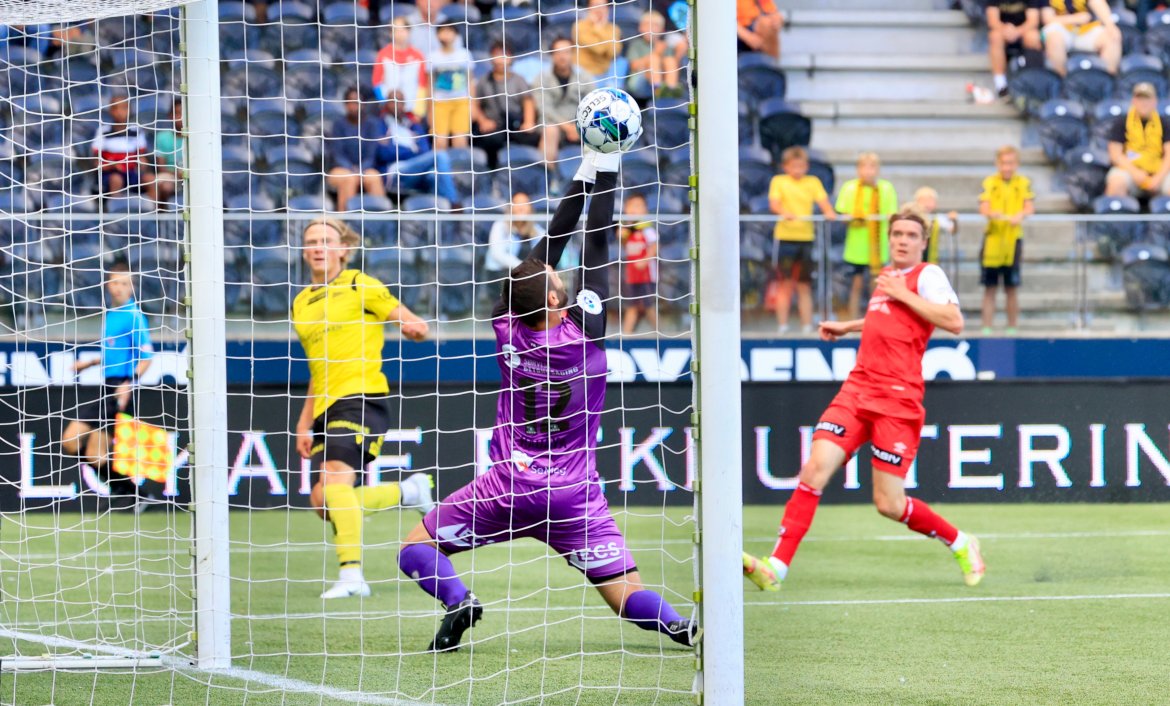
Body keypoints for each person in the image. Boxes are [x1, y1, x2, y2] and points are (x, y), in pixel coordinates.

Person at [396, 150, 700, 653]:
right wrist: (605, 170)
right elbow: (597, 245)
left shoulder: (506, 327)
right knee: (627, 597)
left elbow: (545, 253)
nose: (559, 274)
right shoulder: (587, 331)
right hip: (573, 495)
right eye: (558, 280)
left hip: (507, 486)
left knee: (414, 548)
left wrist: (581, 177)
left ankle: (459, 601)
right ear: (557, 300)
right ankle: (686, 630)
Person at [741, 210, 985, 593]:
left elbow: (954, 321)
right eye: (897, 234)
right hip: (857, 390)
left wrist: (901, 292)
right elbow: (889, 317)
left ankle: (960, 541)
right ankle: (777, 567)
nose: (903, 240)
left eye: (911, 235)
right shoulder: (889, 278)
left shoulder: (927, 275)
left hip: (898, 399)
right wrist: (850, 325)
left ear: (923, 242)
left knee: (889, 504)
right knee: (814, 471)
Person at [291, 217, 435, 599]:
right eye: (311, 241)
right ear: (305, 252)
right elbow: (316, 368)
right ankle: (408, 493)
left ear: (343, 249)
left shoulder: (359, 284)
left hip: (361, 398)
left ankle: (352, 575)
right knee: (324, 502)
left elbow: (413, 322)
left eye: (325, 240)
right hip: (325, 405)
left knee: (337, 480)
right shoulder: (301, 302)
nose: (318, 247)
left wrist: (414, 328)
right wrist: (304, 422)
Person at [63, 262, 154, 507]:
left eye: (125, 283)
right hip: (107, 386)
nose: (119, 288)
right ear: (107, 285)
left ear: (131, 287)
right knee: (88, 451)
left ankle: (131, 493)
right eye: (115, 282)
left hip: (119, 390)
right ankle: (133, 494)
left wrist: (129, 383)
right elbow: (116, 353)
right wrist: (91, 362)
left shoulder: (134, 316)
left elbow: (146, 357)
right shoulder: (112, 315)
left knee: (73, 441)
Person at [768, 146, 837, 334]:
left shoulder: (812, 182)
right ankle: (782, 325)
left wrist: (829, 212)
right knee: (785, 283)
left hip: (806, 238)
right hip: (785, 238)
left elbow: (823, 202)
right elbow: (774, 204)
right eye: (793, 166)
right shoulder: (779, 181)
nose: (797, 170)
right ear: (786, 167)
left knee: (804, 284)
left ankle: (806, 326)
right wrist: (784, 212)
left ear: (806, 166)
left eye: (801, 166)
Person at [835, 152, 898, 319]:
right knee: (855, 284)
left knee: (877, 285)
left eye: (872, 167)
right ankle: (853, 318)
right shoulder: (850, 188)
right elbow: (842, 214)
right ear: (858, 169)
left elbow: (892, 214)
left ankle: (876, 318)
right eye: (864, 167)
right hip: (856, 247)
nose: (868, 171)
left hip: (878, 247)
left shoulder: (886, 188)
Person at [979, 145, 1034, 334]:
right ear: (997, 163)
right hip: (993, 240)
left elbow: (1029, 207)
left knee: (1011, 287)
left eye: (1010, 163)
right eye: (1003, 163)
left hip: (1013, 240)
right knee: (990, 287)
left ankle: (1012, 328)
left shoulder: (1023, 182)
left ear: (1016, 164)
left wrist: (1020, 215)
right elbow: (983, 207)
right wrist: (992, 213)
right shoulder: (990, 182)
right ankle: (986, 327)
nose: (1007, 167)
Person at [378, 92, 462, 208]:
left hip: (417, 170)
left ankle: (443, 217)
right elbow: (384, 153)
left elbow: (425, 150)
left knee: (435, 176)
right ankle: (455, 204)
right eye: (393, 101)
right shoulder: (380, 125)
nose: (396, 104)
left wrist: (402, 150)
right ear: (386, 104)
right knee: (440, 156)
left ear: (405, 104)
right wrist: (412, 150)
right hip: (396, 171)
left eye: (400, 101)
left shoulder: (414, 126)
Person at [472, 41, 540, 171]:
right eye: (496, 55)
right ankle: (492, 171)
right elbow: (475, 104)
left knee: (532, 138)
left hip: (515, 123)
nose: (500, 60)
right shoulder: (483, 80)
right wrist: (483, 121)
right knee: (491, 140)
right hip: (493, 124)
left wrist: (529, 121)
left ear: (511, 58)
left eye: (504, 55)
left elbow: (528, 101)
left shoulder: (519, 79)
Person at [325, 87, 389, 212]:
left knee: (374, 177)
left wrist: (360, 169)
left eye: (357, 101)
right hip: (341, 169)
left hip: (365, 168)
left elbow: (371, 154)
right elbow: (338, 154)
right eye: (351, 102)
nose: (354, 105)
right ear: (345, 105)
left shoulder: (371, 125)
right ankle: (344, 224)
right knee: (349, 179)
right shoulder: (338, 125)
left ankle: (381, 224)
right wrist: (352, 169)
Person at [1105, 82, 1170, 199]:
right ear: (1133, 101)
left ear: (1155, 101)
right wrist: (1136, 173)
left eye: (1147, 98)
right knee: (1117, 181)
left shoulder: (1164, 123)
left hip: (1158, 172)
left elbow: (1169, 155)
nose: (1143, 103)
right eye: (1140, 98)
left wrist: (1157, 178)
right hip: (1131, 170)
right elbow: (1115, 155)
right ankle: (1116, 215)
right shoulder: (1122, 122)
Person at [536, 36, 588, 163]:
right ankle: (548, 175)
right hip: (551, 123)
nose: (562, 56)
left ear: (572, 54)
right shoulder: (541, 79)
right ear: (552, 55)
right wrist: (567, 127)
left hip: (579, 123)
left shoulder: (584, 77)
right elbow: (545, 108)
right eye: (558, 52)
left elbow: (592, 104)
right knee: (551, 130)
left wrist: (578, 127)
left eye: (566, 52)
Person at [426, 22, 474, 151]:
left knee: (460, 141)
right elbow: (429, 84)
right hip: (440, 103)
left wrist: (473, 105)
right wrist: (429, 109)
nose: (446, 35)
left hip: (461, 102)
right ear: (437, 35)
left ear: (456, 34)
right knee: (440, 142)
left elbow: (470, 81)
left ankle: (462, 170)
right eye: (443, 31)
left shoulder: (464, 54)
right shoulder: (432, 57)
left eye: (449, 31)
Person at [1041, 0, 1121, 77]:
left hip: (1086, 28)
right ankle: (1061, 81)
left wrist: (1110, 25)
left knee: (1112, 37)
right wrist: (1075, 19)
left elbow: (1097, 2)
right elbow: (1048, 19)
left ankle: (1107, 80)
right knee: (1054, 39)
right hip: (1061, 28)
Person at [92, 93, 150, 197]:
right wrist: (112, 166)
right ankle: (117, 210)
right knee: (116, 180)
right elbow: (97, 162)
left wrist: (142, 165)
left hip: (132, 173)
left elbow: (142, 157)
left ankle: (156, 210)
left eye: (124, 108)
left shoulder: (136, 131)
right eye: (116, 108)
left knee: (150, 179)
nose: (120, 112)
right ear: (110, 111)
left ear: (130, 110)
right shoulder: (103, 131)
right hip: (110, 174)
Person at [620, 192, 659, 334]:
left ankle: (659, 332)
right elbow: (626, 246)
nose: (636, 209)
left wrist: (645, 260)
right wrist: (622, 236)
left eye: (640, 206)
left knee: (648, 305)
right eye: (633, 206)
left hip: (646, 275)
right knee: (631, 306)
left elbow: (655, 245)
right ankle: (626, 335)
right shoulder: (627, 229)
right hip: (632, 275)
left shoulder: (647, 229)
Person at [372, 17, 428, 119]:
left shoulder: (418, 55)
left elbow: (422, 84)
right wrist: (385, 104)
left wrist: (418, 111)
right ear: (390, 33)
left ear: (409, 31)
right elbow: (376, 82)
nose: (399, 34)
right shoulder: (383, 54)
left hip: (411, 111)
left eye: (402, 30)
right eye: (396, 30)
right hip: (388, 111)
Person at [986, 0, 1043, 98]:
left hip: (1023, 30)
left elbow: (1033, 21)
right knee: (994, 36)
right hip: (1003, 30)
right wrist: (1006, 30)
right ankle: (1001, 84)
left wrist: (1017, 31)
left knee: (1033, 37)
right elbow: (993, 21)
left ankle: (1033, 81)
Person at [625, 10, 686, 100]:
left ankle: (671, 89)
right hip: (640, 83)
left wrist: (679, 52)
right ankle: (658, 89)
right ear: (640, 27)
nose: (651, 29)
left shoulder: (664, 45)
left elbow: (672, 66)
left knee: (670, 60)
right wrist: (656, 53)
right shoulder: (636, 44)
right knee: (653, 59)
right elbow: (634, 66)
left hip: (663, 80)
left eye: (655, 26)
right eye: (647, 25)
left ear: (662, 29)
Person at [574, 0, 624, 86]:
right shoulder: (580, 26)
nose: (598, 9)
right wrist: (600, 28)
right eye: (595, 5)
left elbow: (614, 52)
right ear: (589, 8)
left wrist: (599, 28)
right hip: (584, 73)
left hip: (606, 72)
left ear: (607, 8)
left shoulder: (614, 28)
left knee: (622, 62)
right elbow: (598, 49)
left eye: (602, 6)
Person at [909, 186, 959, 267]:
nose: (927, 204)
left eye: (930, 200)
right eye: (923, 200)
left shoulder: (938, 218)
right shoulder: (912, 218)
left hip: (931, 259)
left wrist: (954, 220)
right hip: (914, 259)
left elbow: (952, 230)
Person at [151, 97, 185, 207]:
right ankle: (162, 217)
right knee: (165, 185)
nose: (181, 117)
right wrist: (179, 174)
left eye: (184, 113)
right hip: (171, 175)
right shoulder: (162, 137)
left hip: (193, 175)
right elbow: (161, 167)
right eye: (178, 113)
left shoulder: (197, 137)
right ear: (171, 116)